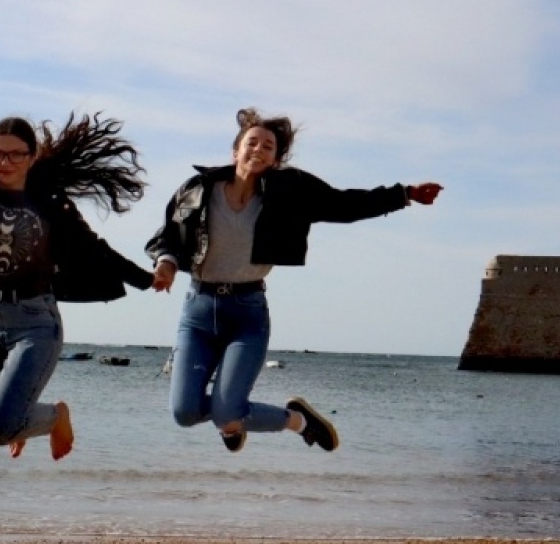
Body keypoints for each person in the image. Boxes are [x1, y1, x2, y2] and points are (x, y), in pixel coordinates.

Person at [146, 108, 443, 452]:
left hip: (246, 313)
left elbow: (343, 205)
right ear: (235, 150)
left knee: (227, 412)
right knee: (185, 412)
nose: (258, 149)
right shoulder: (198, 189)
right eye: (251, 142)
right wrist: (166, 264)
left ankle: (296, 421)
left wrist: (404, 194)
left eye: (268, 147)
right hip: (197, 311)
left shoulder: (289, 192)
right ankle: (237, 421)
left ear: (275, 159)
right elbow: (167, 235)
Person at [0, 53, 152, 461]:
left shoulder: (49, 203)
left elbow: (94, 248)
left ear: (32, 156)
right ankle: (17, 417)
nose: (5, 162)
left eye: (15, 154)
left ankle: (51, 417)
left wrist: (147, 278)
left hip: (35, 325)